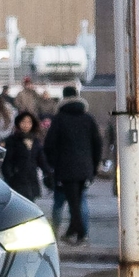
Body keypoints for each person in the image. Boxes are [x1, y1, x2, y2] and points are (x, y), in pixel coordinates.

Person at [41, 86, 103, 244]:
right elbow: (97, 143)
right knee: (80, 200)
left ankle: (63, 232)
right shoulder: (88, 118)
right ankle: (80, 232)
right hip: (85, 167)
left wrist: (52, 164)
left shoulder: (59, 118)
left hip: (64, 168)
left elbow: (49, 144)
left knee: (62, 202)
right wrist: (94, 165)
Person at [1, 110, 45, 199]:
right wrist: (10, 175)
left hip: (31, 177)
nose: (26, 125)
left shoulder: (35, 140)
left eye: (29, 122)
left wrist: (49, 172)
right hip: (17, 178)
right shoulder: (12, 140)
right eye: (23, 122)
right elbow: (7, 160)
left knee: (31, 205)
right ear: (18, 123)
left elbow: (41, 159)